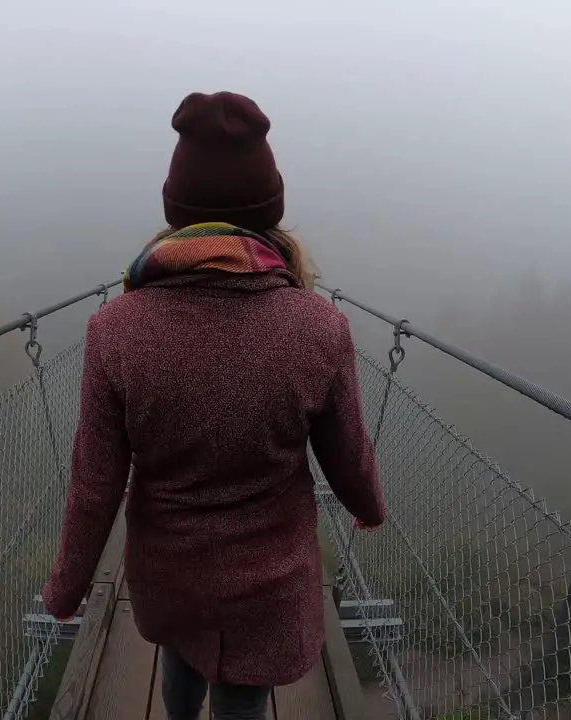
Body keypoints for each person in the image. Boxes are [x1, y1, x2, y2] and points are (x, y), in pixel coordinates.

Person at [41, 90, 386, 720]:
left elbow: (95, 488)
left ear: (176, 209)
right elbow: (346, 458)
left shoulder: (115, 330)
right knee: (243, 697)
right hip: (271, 582)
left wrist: (66, 590)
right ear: (270, 209)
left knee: (181, 648)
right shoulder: (318, 327)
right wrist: (368, 507)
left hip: (167, 571)